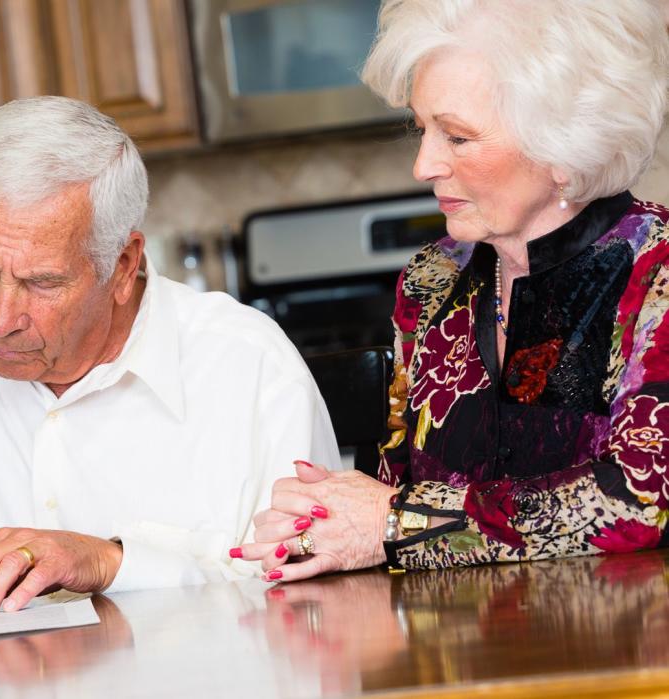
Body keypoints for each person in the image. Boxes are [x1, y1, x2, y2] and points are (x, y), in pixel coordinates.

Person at [0, 96, 338, 621]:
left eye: (42, 282)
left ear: (123, 265)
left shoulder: (249, 368)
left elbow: (314, 609)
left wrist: (115, 563)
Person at [237, 0, 669, 581]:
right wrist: (323, 528)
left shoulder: (655, 271)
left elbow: (640, 498)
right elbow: (391, 490)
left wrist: (395, 523)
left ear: (563, 146)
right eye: (423, 129)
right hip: (452, 658)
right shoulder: (432, 280)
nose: (423, 165)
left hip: (620, 656)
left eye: (457, 137)